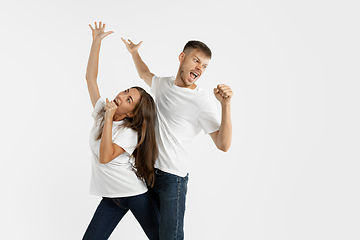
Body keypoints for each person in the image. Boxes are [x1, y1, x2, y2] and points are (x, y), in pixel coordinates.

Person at [122, 37, 233, 239]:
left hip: (173, 181)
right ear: (182, 57)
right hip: (148, 174)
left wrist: (225, 106)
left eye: (205, 66)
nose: (200, 68)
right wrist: (134, 52)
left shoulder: (202, 100)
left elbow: (223, 144)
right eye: (196, 60)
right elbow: (145, 74)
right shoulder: (163, 85)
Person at [82, 22, 159, 240]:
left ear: (131, 113)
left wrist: (108, 117)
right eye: (125, 91)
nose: (121, 96)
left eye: (128, 99)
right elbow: (90, 79)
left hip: (135, 194)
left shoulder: (129, 132)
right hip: (112, 197)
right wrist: (96, 42)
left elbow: (105, 156)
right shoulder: (103, 111)